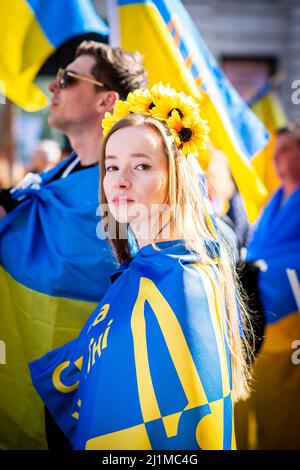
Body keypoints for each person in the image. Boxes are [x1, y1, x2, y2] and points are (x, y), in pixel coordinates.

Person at [30, 84, 252, 450]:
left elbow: (186, 434)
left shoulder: (183, 282)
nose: (120, 179)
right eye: (112, 165)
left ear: (175, 179)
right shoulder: (144, 269)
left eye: (142, 166)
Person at [0, 41, 147, 449]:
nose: (54, 88)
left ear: (107, 99)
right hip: (39, 385)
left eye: (67, 79)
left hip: (105, 397)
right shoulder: (49, 183)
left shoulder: (140, 186)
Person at [236, 124, 300, 449]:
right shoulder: (273, 200)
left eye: (287, 148)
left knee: (283, 415)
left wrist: (265, 271)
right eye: (277, 149)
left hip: (290, 322)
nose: (277, 157)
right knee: (255, 405)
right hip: (257, 316)